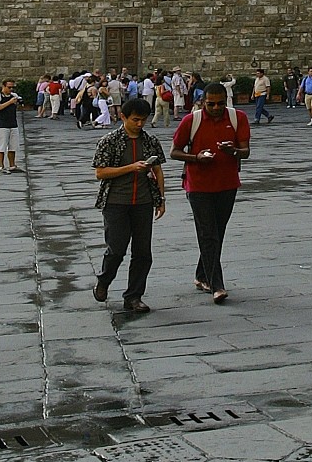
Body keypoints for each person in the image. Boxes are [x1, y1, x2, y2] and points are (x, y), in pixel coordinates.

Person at [171, 80, 250, 302]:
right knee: (208, 234)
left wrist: (233, 150)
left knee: (217, 233)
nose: (215, 108)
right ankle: (217, 285)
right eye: (211, 104)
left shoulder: (238, 118)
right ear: (202, 102)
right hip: (198, 186)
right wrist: (195, 158)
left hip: (227, 184)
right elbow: (174, 152)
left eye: (220, 104)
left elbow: (245, 152)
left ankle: (201, 275)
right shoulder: (191, 121)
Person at [92, 96, 166, 315]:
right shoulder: (110, 141)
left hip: (142, 201)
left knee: (143, 252)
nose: (140, 124)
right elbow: (100, 172)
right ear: (123, 117)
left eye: (143, 119)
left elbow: (158, 170)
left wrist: (160, 199)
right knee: (116, 249)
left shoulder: (150, 141)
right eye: (135, 119)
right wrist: (130, 167)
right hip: (116, 201)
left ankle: (134, 296)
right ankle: (104, 280)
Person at [0, 79, 23, 171]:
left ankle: (12, 165)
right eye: (9, 87)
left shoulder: (14, 96)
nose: (11, 89)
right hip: (1, 124)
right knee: (1, 146)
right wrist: (9, 102)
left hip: (13, 123)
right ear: (3, 86)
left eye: (13, 87)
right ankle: (1, 166)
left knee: (13, 146)